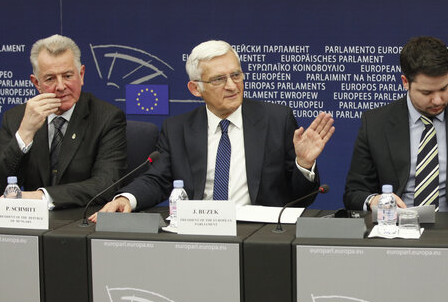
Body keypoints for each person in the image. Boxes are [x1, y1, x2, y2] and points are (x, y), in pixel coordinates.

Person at [94, 40, 334, 215]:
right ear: (195, 89)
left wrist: (303, 165)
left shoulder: (276, 119)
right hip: (198, 230)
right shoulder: (177, 129)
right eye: (219, 79)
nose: (231, 86)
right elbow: (157, 179)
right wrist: (127, 198)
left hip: (260, 231)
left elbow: (302, 198)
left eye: (236, 75)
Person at [343, 36, 448, 212]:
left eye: (444, 88)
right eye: (427, 92)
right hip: (394, 230)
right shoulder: (375, 124)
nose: (438, 100)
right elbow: (355, 193)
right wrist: (374, 200)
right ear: (405, 82)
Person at [0, 34, 127, 208]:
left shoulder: (107, 117)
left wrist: (42, 197)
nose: (60, 86)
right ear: (36, 83)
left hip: (80, 219)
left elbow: (105, 185)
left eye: (68, 76)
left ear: (81, 75)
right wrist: (25, 133)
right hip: (27, 222)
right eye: (50, 79)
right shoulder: (17, 118)